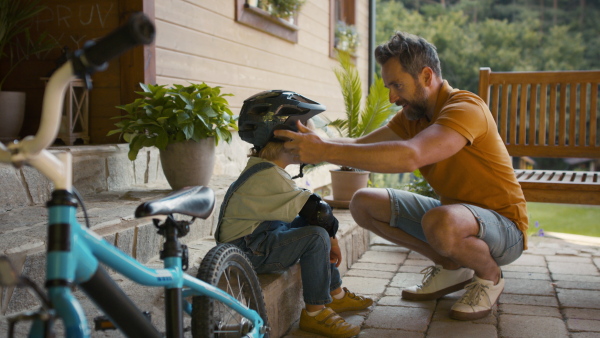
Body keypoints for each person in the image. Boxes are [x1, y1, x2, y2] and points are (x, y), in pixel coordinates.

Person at [274, 32, 528, 321]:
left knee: (441, 222)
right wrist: (313, 143)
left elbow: (411, 155)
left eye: (398, 85)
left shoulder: (465, 109)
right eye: (389, 86)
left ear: (426, 75)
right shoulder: (415, 116)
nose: (393, 97)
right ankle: (449, 264)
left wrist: (323, 151)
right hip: (457, 218)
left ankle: (489, 276)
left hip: (504, 230)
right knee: (363, 202)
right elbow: (361, 145)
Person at [215, 90, 373, 337]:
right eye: (306, 133)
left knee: (314, 227)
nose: (313, 141)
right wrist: (333, 241)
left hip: (256, 238)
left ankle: (336, 294)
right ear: (287, 139)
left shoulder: (266, 169)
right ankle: (315, 313)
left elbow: (310, 211)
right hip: (245, 252)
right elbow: (319, 212)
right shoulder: (268, 176)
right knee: (316, 235)